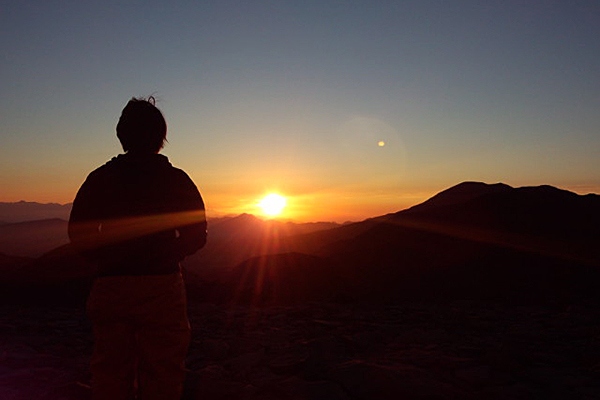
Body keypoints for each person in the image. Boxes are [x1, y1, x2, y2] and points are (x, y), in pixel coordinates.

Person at [68, 96, 207, 400]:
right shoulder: (177, 180)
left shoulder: (100, 178)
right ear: (161, 137)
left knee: (109, 369)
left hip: (111, 286)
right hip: (162, 286)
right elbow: (197, 235)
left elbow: (79, 234)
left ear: (122, 135)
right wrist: (167, 254)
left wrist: (106, 260)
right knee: (164, 371)